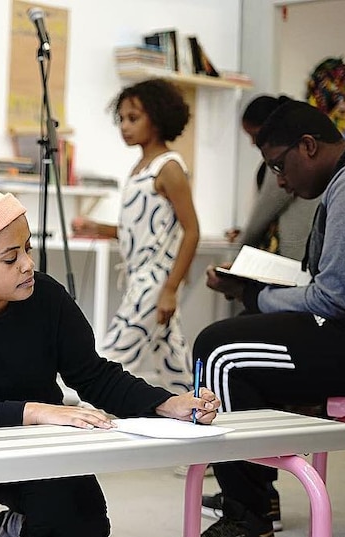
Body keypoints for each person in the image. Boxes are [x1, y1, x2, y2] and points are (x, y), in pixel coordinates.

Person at [0, 180, 219, 537]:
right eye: (10, 257)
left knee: (81, 530)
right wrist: (36, 411)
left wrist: (166, 403)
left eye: (28, 248)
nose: (28, 264)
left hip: (35, 447)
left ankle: (14, 533)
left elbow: (93, 375)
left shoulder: (46, 297)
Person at [165, 99, 345, 537]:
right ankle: (255, 499)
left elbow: (337, 297)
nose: (280, 181)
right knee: (235, 342)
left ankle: (248, 522)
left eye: (279, 165)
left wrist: (255, 296)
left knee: (221, 349)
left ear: (308, 146)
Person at [71, 78, 200, 392]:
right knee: (172, 362)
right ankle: (197, 409)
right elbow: (141, 231)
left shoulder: (168, 168)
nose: (124, 127)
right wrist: (98, 229)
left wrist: (169, 289)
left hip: (154, 283)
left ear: (156, 119)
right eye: (122, 120)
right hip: (139, 277)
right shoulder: (140, 168)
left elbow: (192, 231)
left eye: (133, 118)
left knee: (112, 357)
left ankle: (89, 413)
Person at [226, 95, 319, 261]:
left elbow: (263, 214)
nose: (254, 143)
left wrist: (237, 257)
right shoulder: (286, 158)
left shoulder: (283, 162)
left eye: (255, 135)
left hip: (293, 254)